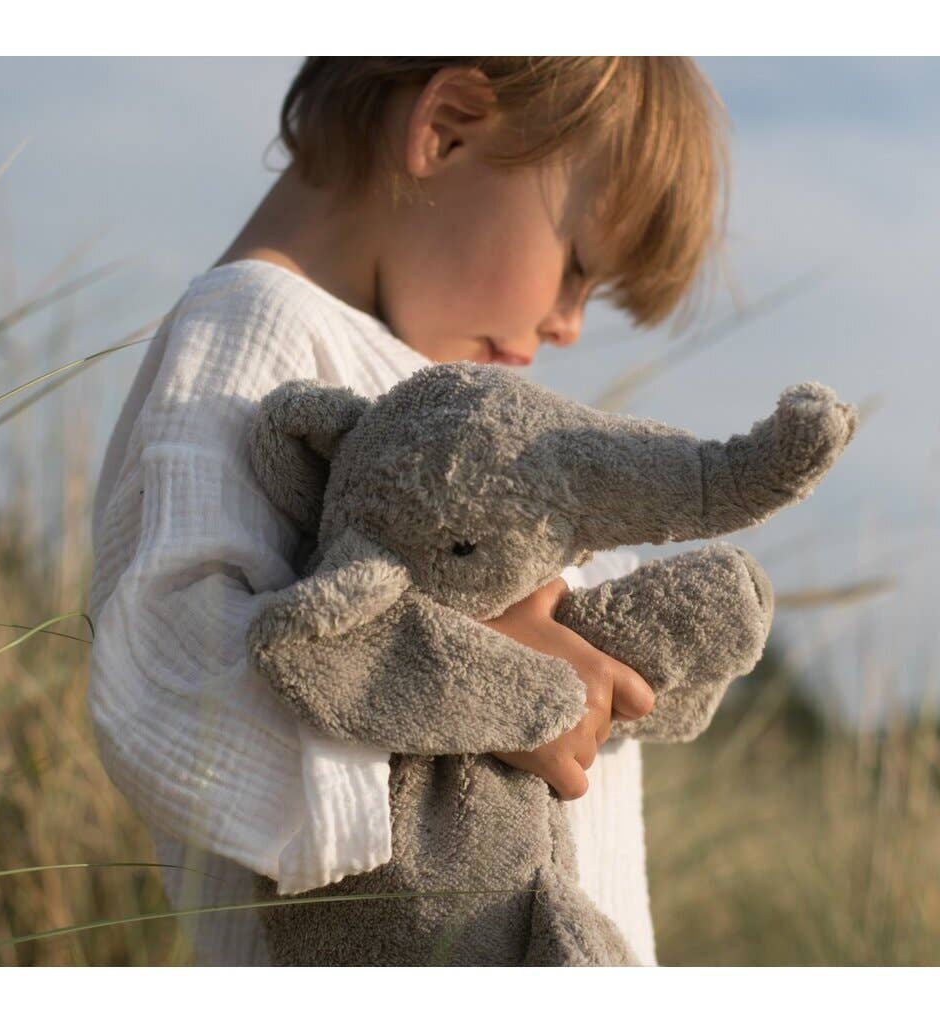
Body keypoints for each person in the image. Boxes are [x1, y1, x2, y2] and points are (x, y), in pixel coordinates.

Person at [87, 57, 728, 966]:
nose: (569, 325)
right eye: (576, 268)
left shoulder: (430, 399)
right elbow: (167, 679)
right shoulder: (258, 322)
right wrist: (487, 679)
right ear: (449, 126)